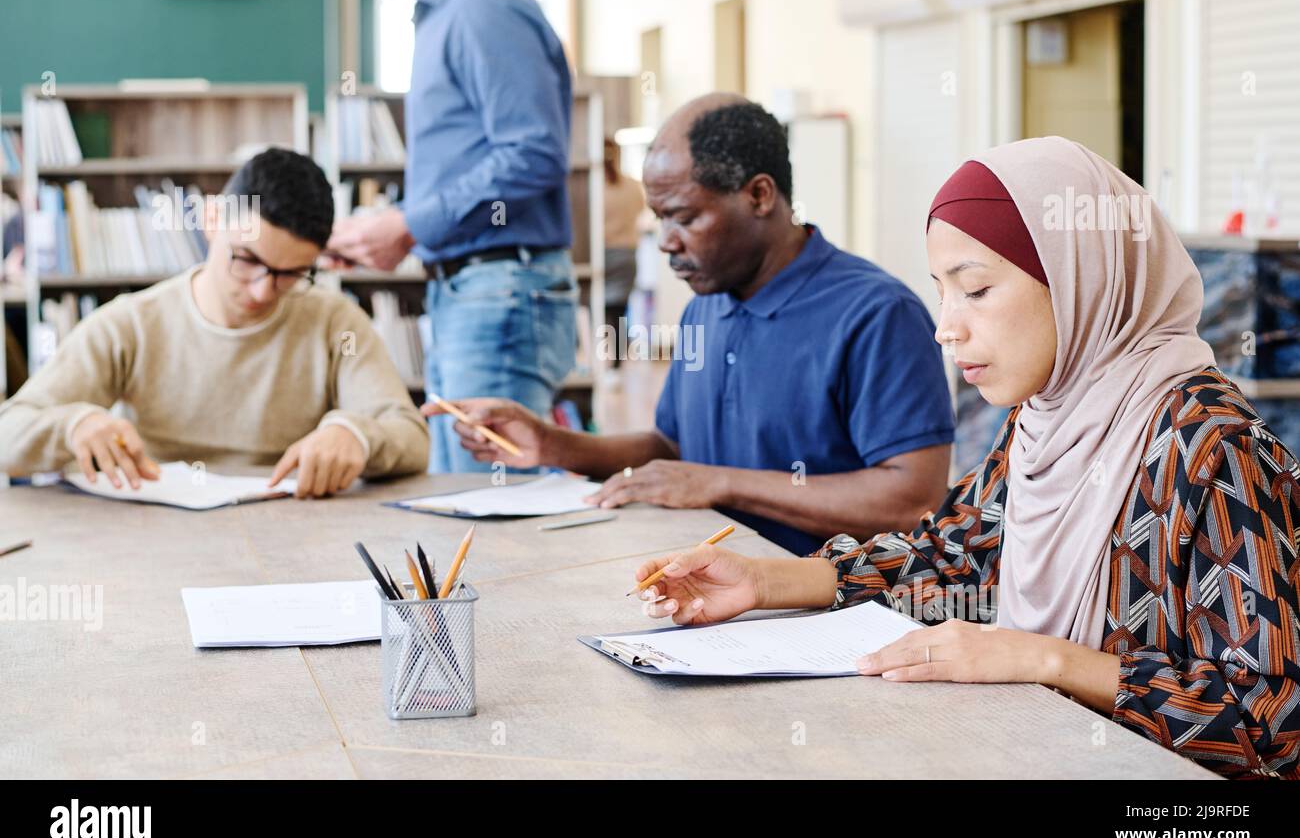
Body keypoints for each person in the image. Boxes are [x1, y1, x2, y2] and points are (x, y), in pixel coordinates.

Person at [629, 136, 1300, 779]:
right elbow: (955, 556)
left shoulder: (1215, 448)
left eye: (975, 290)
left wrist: (1044, 660)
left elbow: (1271, 719)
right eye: (942, 290)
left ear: (1078, 278)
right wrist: (765, 583)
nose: (946, 326)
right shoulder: (1041, 421)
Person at [430, 95, 955, 555]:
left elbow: (911, 500)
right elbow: (675, 450)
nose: (665, 240)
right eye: (659, 218)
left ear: (759, 196)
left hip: (829, 613)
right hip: (708, 591)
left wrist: (721, 483)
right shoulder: (707, 304)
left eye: (684, 217)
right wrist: (550, 445)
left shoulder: (877, 314)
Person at [0, 148, 428, 497]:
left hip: (289, 530)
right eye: (246, 260)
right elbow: (8, 435)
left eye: (291, 274)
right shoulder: (130, 324)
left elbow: (411, 437)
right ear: (211, 222)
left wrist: (357, 434)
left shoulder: (336, 324)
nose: (263, 290)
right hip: (153, 533)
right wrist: (73, 425)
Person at [330, 0, 577, 473]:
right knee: (464, 498)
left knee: (489, 513)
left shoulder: (482, 7)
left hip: (499, 291)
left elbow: (534, 153)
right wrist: (399, 225)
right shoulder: (450, 12)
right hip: (473, 290)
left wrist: (412, 224)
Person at [601, 135, 648, 368]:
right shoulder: (632, 186)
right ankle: (616, 366)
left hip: (602, 255)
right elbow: (641, 212)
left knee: (597, 312)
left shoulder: (594, 187)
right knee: (618, 312)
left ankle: (596, 362)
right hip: (626, 254)